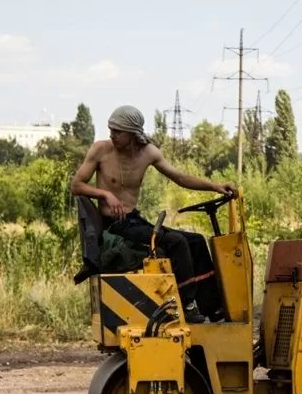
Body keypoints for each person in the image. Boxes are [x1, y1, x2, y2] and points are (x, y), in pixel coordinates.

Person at [70, 105, 237, 324]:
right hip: (115, 225)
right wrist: (104, 195)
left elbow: (181, 178)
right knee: (176, 242)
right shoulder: (101, 150)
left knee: (196, 241)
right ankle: (186, 305)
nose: (112, 135)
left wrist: (215, 186)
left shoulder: (148, 153)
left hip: (134, 220)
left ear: (132, 133)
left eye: (118, 131)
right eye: (110, 129)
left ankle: (212, 307)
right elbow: (76, 186)